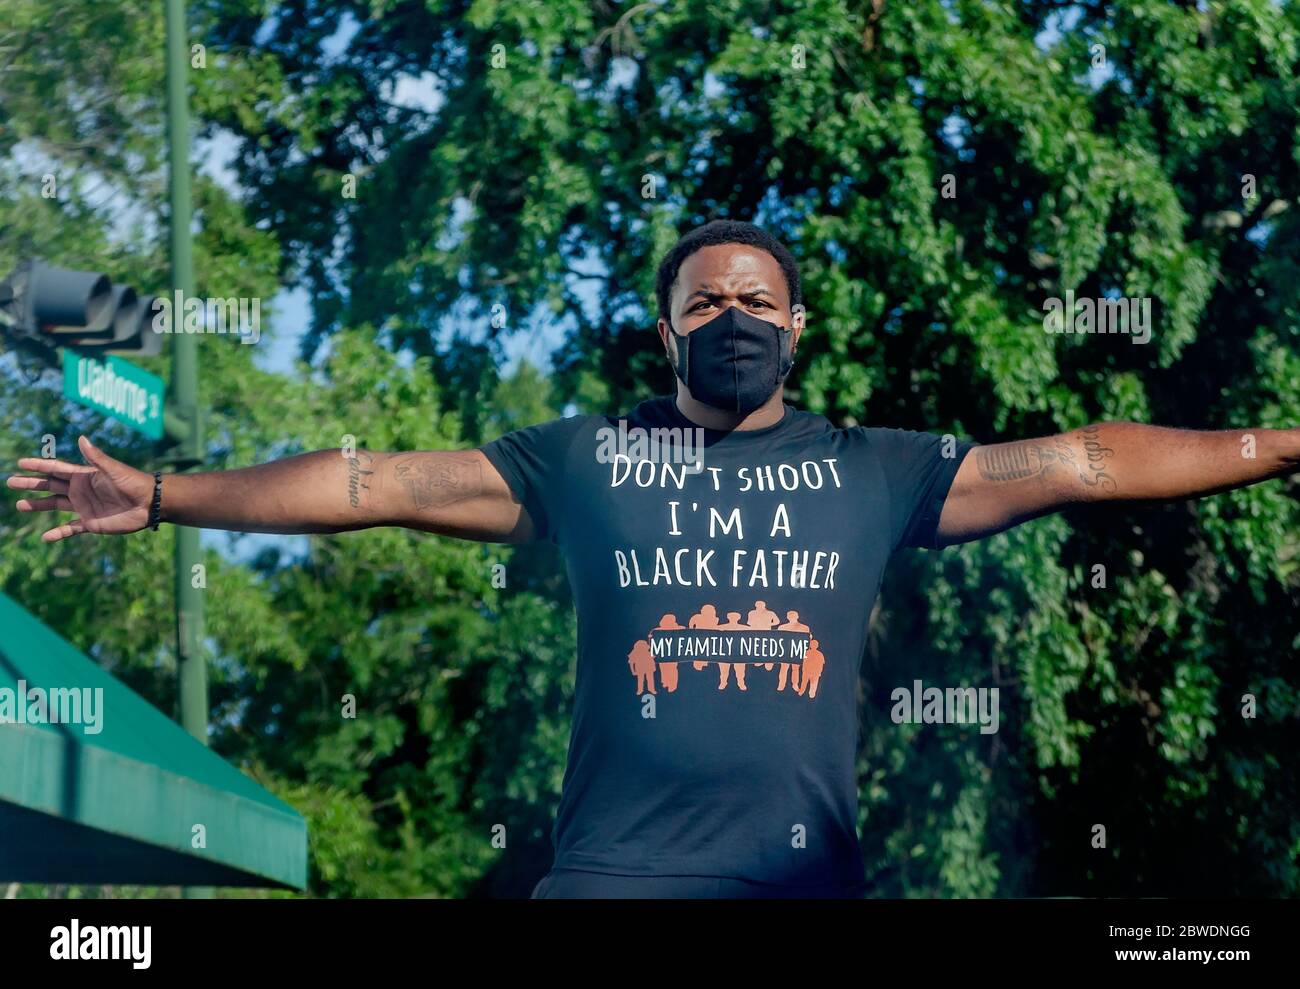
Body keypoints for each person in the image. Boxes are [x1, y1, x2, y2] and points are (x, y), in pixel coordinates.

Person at [10, 220, 1300, 900]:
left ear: (795, 329)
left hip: (801, 881)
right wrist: (168, 492)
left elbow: (1083, 460)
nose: (730, 319)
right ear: (667, 329)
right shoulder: (580, 462)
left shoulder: (875, 469)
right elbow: (369, 482)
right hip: (611, 882)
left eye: (754, 304)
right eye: (705, 304)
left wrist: (1285, 439)